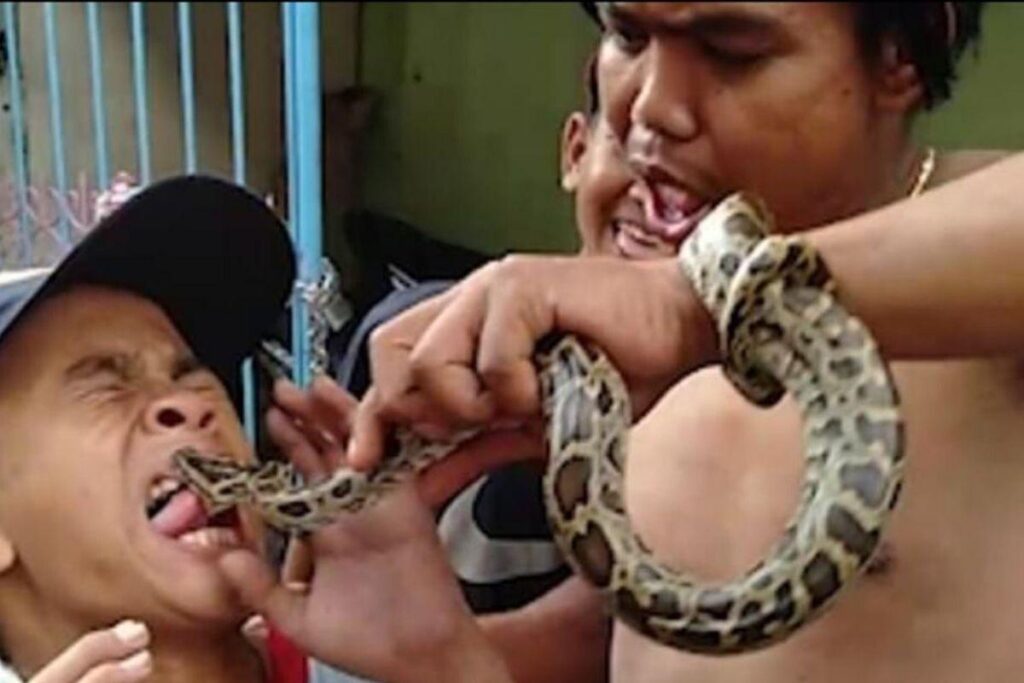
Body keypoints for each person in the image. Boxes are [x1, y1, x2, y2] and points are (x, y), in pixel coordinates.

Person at [228, 3, 1024, 683]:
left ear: (899, 60)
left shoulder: (983, 286)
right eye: (628, 33)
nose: (650, 107)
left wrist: (691, 305)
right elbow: (622, 641)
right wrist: (447, 655)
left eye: (732, 51)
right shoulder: (634, 360)